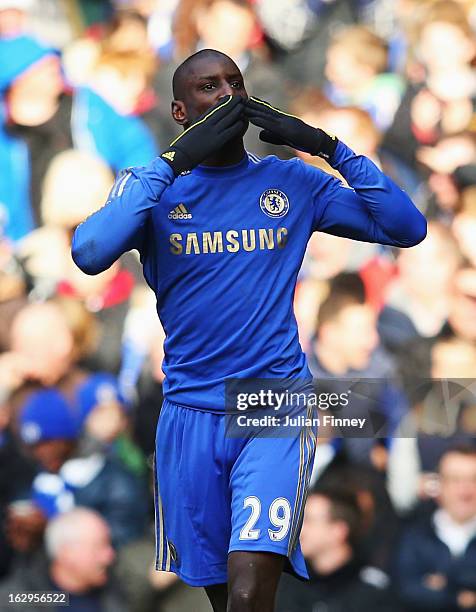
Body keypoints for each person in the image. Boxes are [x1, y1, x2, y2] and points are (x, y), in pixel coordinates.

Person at [71, 48, 426, 612]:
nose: (226, 96)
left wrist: (327, 147)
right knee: (223, 597)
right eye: (208, 88)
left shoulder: (290, 183)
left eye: (234, 83)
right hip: (189, 411)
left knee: (249, 587)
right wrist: (171, 160)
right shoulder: (151, 188)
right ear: (180, 111)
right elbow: (89, 254)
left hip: (273, 405)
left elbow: (406, 227)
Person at [276, 487, 401, 611]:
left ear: (338, 531)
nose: (299, 530)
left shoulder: (371, 592)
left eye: (309, 521)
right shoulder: (288, 582)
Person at [395, 445, 476, 611]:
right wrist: (460, 595)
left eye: (474, 480)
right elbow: (405, 590)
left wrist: (443, 583)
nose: (465, 491)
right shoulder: (414, 534)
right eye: (455, 480)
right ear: (439, 485)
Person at [0, 507, 128, 611]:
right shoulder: (25, 597)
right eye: (99, 547)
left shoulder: (117, 590)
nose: (109, 556)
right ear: (67, 553)